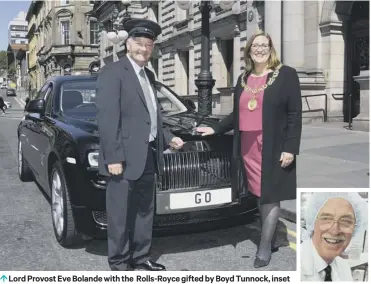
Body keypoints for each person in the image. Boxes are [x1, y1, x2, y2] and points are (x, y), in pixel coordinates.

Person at [196, 30, 302, 268]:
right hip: (247, 147)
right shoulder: (243, 78)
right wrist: (216, 129)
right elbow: (238, 113)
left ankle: (265, 246)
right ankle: (271, 234)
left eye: (264, 45)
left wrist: (291, 148)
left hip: (273, 144)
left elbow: (295, 115)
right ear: (249, 50)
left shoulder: (286, 74)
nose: (260, 49)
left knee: (270, 194)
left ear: (271, 48)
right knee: (258, 192)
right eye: (255, 46)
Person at [96, 19, 184, 271]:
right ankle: (120, 263)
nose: (144, 49)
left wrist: (168, 137)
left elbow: (152, 115)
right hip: (122, 157)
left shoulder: (149, 75)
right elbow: (107, 118)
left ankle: (141, 257)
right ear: (128, 44)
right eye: (139, 44)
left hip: (148, 154)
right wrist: (113, 157)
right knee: (120, 214)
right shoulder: (113, 72)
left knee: (145, 211)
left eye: (148, 44)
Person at [301, 192, 368, 281]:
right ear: (312, 223)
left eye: (346, 221)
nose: (335, 231)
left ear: (355, 228)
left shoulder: (343, 267)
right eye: (326, 219)